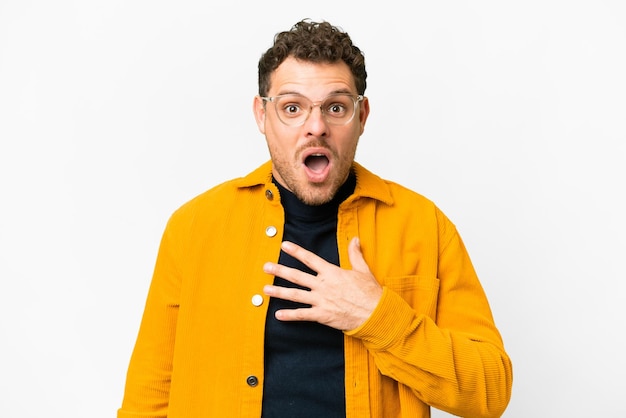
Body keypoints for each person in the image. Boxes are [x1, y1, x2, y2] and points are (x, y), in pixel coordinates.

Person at [117, 19, 513, 418]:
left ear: (362, 116)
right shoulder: (194, 227)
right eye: (293, 108)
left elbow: (490, 392)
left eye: (336, 107)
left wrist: (378, 317)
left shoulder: (424, 226)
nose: (316, 127)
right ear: (261, 115)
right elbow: (148, 400)